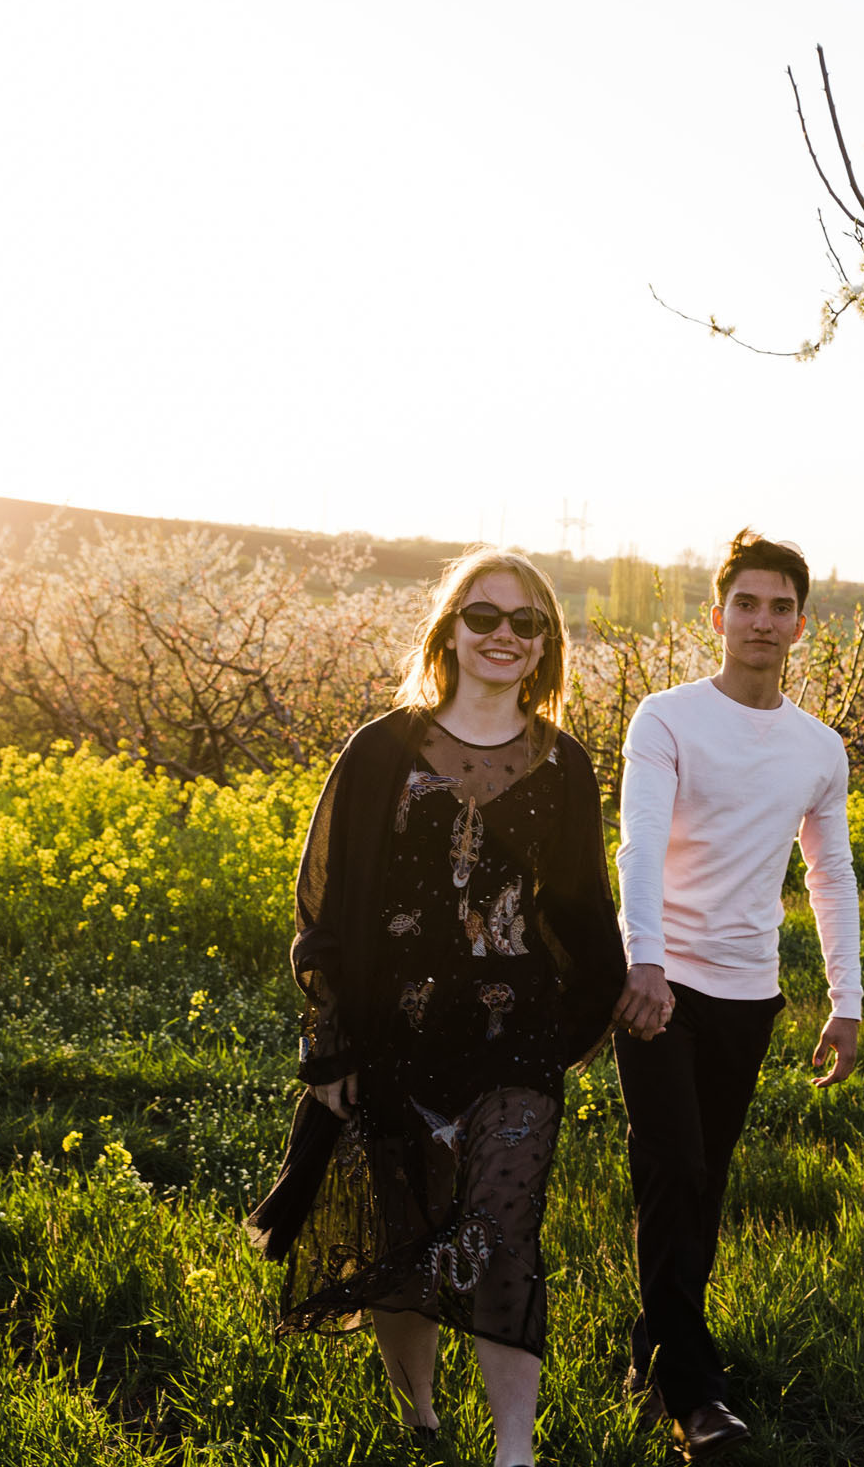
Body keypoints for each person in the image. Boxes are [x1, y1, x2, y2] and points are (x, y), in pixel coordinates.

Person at [244, 545, 626, 1467]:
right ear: (449, 631)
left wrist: (574, 1026)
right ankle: (421, 1423)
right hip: (394, 1038)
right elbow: (325, 906)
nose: (503, 635)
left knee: (503, 1233)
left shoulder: (564, 764)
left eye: (525, 622)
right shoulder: (381, 751)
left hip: (514, 1042)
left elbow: (582, 909)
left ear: (546, 644)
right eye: (483, 616)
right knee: (406, 1240)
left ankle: (514, 1453)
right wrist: (332, 1043)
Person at [612, 529, 861, 1459]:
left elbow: (830, 875)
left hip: (749, 992)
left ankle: (653, 1349)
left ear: (801, 624)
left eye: (780, 607)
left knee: (702, 1180)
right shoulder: (667, 719)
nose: (762, 620)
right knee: (673, 1168)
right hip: (659, 982)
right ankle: (696, 1393)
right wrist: (642, 961)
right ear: (716, 617)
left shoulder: (819, 749)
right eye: (746, 604)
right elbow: (638, 845)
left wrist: (846, 998)